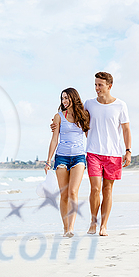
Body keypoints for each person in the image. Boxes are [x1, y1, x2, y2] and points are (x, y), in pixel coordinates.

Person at [84, 72, 131, 236]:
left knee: (107, 190)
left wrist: (128, 151)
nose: (96, 88)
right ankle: (93, 222)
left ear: (109, 86)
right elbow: (81, 124)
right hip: (93, 153)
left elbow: (126, 129)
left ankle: (104, 225)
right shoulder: (89, 104)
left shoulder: (120, 105)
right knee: (95, 188)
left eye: (100, 85)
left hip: (113, 154)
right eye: (95, 84)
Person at [44, 87, 90, 238]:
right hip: (61, 157)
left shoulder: (84, 115)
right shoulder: (58, 117)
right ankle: (65, 228)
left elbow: (90, 135)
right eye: (62, 98)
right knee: (64, 194)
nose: (64, 101)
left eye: (66, 98)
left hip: (79, 157)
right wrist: (48, 160)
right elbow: (54, 139)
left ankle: (71, 227)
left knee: (73, 192)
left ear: (73, 98)